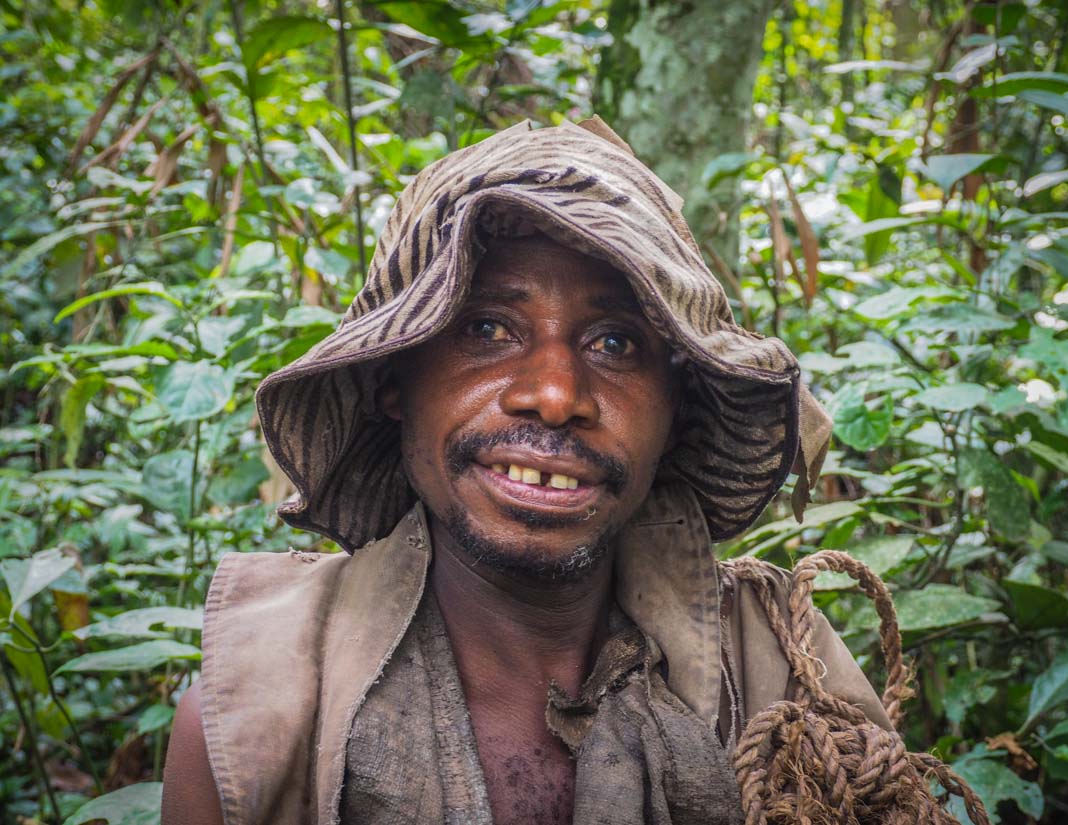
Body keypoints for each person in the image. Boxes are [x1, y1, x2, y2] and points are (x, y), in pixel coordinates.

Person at [161, 117, 975, 825]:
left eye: (614, 343)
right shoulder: (258, 730)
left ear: (677, 410)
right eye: (487, 328)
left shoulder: (784, 686)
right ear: (392, 384)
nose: (554, 396)